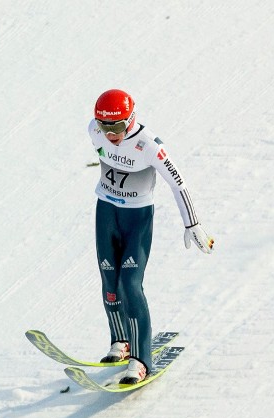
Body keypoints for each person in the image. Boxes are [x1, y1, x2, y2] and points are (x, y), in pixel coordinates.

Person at [89, 89, 213, 384]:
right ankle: (120, 341)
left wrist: (191, 224)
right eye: (105, 127)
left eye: (118, 127)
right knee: (109, 280)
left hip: (137, 218)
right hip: (106, 211)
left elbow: (178, 183)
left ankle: (141, 359)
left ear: (131, 120)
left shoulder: (148, 146)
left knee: (129, 283)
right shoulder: (95, 130)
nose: (111, 135)